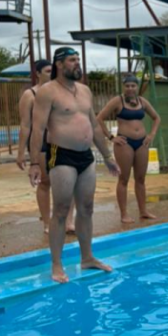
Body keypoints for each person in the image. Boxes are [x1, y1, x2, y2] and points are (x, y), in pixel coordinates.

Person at [29, 47, 121, 284]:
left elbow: (95, 126)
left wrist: (108, 156)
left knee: (87, 208)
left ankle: (87, 257)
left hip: (86, 156)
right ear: (59, 64)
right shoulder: (47, 92)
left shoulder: (85, 91)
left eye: (78, 59)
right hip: (61, 155)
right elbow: (37, 129)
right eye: (72, 60)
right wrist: (33, 163)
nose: (77, 63)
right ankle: (57, 264)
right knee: (60, 209)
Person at [16, 59, 76, 234]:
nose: (52, 74)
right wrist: (21, 152)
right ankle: (47, 222)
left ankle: (69, 221)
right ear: (38, 73)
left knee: (69, 182)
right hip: (41, 142)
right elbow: (25, 125)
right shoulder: (30, 95)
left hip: (62, 141)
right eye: (48, 71)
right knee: (45, 182)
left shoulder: (62, 92)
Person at [96, 75, 161, 224]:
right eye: (127, 86)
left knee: (141, 179)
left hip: (142, 143)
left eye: (133, 86)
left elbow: (157, 118)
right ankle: (124, 213)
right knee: (124, 179)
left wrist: (151, 135)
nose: (130, 88)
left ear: (137, 87)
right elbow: (99, 118)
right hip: (125, 143)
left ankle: (143, 211)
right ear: (123, 87)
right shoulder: (117, 101)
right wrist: (111, 137)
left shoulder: (142, 102)